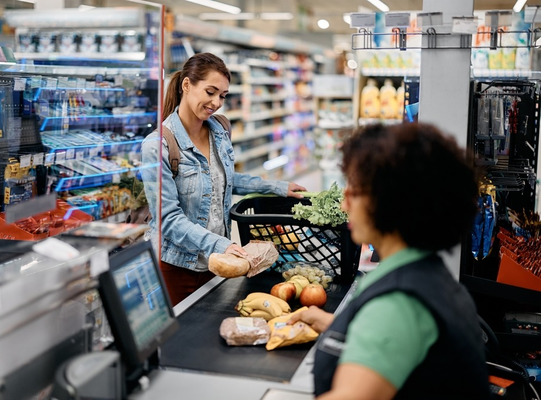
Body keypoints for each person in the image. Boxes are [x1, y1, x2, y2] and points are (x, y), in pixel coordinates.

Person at [289, 123, 490, 399]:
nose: (344, 204)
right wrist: (328, 322)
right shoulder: (426, 274)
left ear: (391, 202)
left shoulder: (398, 303)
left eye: (354, 192)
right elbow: (395, 342)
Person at [141, 53, 306, 306]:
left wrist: (278, 187)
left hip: (216, 262)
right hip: (174, 267)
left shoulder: (219, 130)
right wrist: (222, 244)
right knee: (176, 342)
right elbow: (168, 220)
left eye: (223, 95)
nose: (216, 102)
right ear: (186, 85)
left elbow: (225, 179)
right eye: (210, 92)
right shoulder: (158, 145)